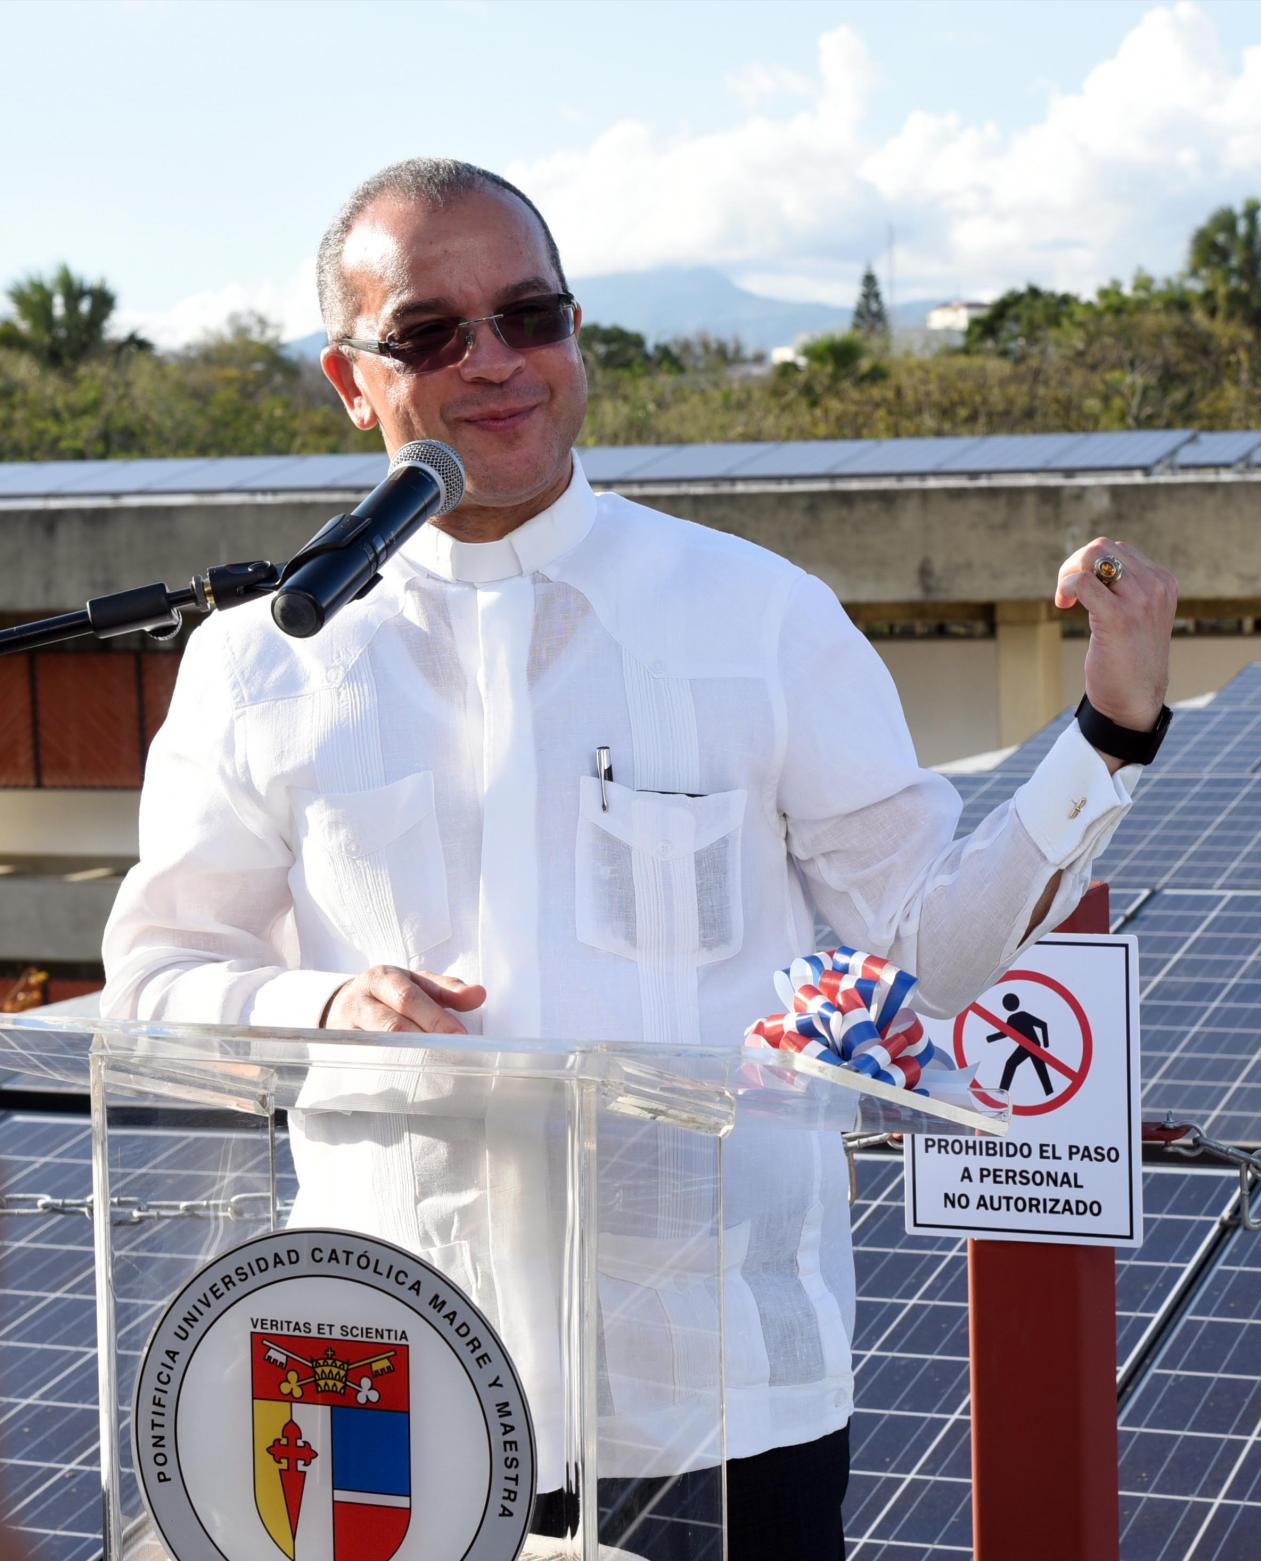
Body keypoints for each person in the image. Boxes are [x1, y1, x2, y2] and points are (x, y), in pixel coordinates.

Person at [98, 158, 1177, 1560]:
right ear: (351, 381)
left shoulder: (759, 616)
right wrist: (321, 1008)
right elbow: (159, 981)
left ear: (575, 331)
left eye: (529, 315)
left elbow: (917, 954)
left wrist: (1110, 734)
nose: (495, 361)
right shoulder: (262, 661)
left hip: (713, 1407)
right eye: (431, 333)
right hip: (384, 1392)